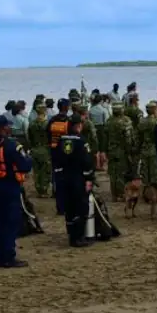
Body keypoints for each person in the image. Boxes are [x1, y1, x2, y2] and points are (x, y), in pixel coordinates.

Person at [0, 114, 33, 268]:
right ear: (3, 128)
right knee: (10, 222)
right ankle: (8, 257)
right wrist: (28, 158)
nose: (10, 128)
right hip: (9, 186)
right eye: (8, 126)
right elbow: (24, 166)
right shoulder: (12, 145)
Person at [58, 117, 96, 247]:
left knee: (69, 208)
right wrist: (89, 178)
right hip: (78, 178)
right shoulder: (82, 141)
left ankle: (71, 234)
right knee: (81, 207)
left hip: (64, 177)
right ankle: (78, 237)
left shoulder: (61, 139)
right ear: (79, 126)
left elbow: (56, 158)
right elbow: (87, 161)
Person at [46, 99, 73, 214]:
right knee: (68, 179)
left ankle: (59, 205)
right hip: (67, 152)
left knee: (57, 177)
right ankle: (68, 205)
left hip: (54, 151)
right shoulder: (69, 121)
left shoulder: (52, 120)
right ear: (66, 107)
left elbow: (47, 134)